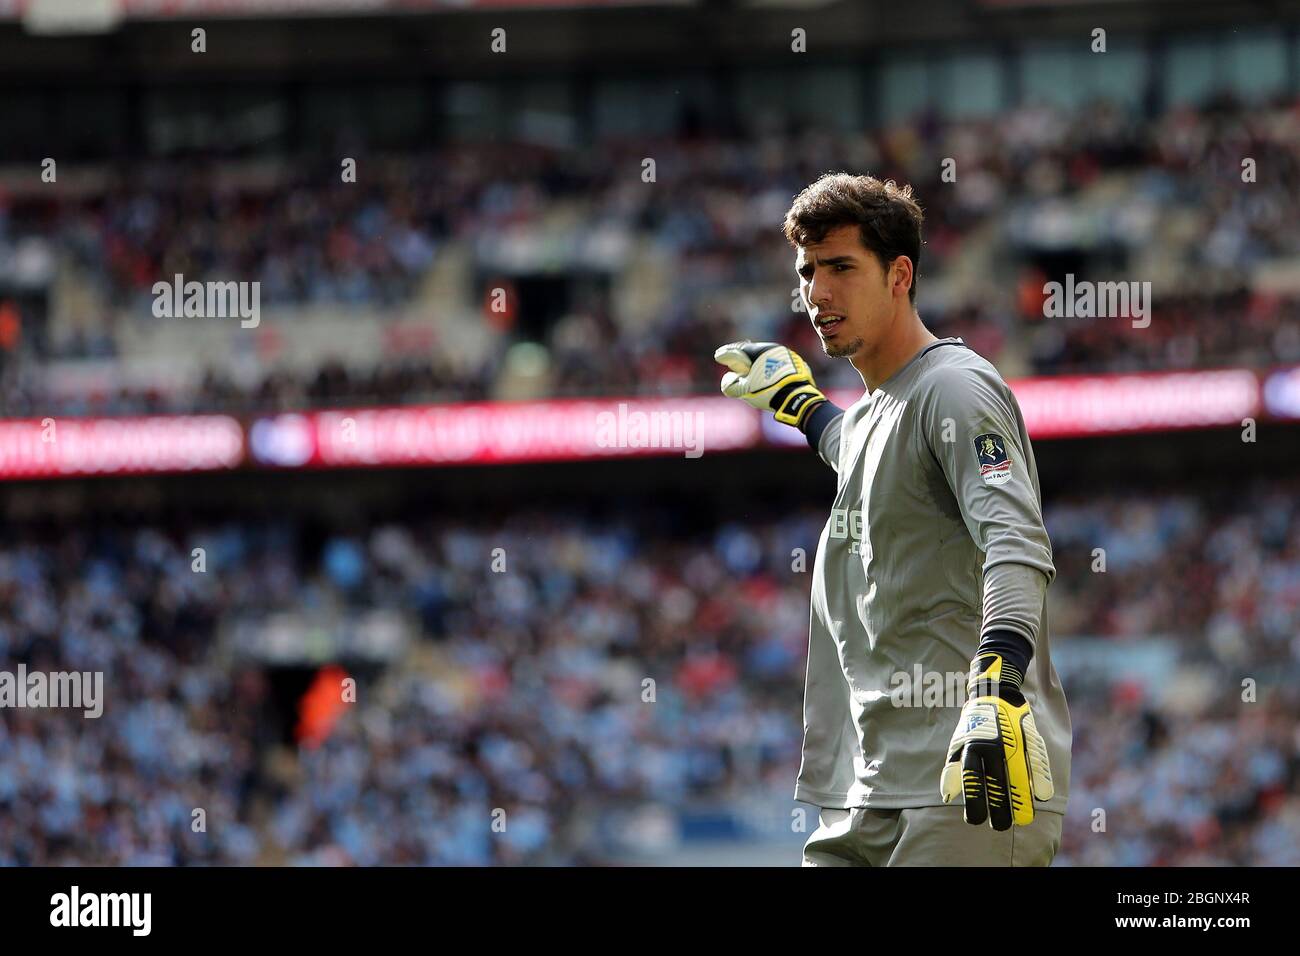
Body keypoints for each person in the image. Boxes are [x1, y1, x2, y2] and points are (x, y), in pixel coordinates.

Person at [714, 172, 1070, 866]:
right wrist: (805, 408)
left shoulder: (954, 388)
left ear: (900, 274)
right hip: (870, 790)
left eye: (842, 267)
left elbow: (1016, 541)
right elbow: (859, 448)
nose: (818, 293)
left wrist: (997, 684)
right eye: (808, 271)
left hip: (968, 779)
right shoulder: (882, 409)